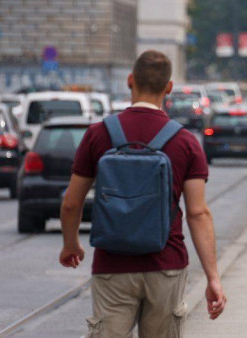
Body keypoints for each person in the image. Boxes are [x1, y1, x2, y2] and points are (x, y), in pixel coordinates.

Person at [59, 51, 227, 336]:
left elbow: (71, 203)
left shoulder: (98, 134)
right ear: (169, 87)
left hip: (112, 265)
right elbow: (198, 213)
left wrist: (71, 244)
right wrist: (213, 277)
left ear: (130, 80)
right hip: (166, 265)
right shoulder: (185, 142)